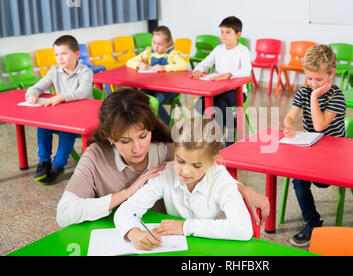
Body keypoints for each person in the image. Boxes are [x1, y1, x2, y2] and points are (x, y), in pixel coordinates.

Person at [56, 89, 269, 229]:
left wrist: (244, 190)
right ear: (110, 138)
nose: (138, 148)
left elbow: (208, 170)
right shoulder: (95, 157)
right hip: (113, 235)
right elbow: (64, 214)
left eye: (143, 136)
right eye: (125, 141)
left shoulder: (170, 153)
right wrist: (125, 194)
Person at [114, 118, 253, 250]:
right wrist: (132, 233)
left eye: (196, 165)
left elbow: (243, 229)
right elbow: (127, 209)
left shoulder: (221, 179)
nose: (185, 171)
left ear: (212, 161)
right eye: (180, 161)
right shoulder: (166, 174)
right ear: (174, 151)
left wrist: (185, 227)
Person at [283, 44, 346, 247]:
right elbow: (289, 117)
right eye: (309, 78)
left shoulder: (337, 96)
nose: (312, 83)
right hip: (311, 150)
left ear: (331, 73)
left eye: (318, 79)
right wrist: (289, 126)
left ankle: (312, 222)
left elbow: (319, 126)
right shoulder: (304, 91)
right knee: (298, 179)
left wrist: (314, 97)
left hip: (333, 155)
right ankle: (313, 223)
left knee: (318, 182)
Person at [25, 35, 93, 184]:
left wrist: (60, 97)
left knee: (66, 130)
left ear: (76, 54)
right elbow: (36, 87)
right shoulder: (54, 72)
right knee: (43, 125)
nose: (59, 58)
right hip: (63, 115)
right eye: (56, 54)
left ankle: (58, 165)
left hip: (83, 118)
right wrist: (32, 94)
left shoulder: (85, 72)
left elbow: (81, 92)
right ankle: (44, 161)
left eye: (64, 53)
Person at [192, 16, 252, 146]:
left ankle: (221, 143)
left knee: (219, 106)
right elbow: (205, 62)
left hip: (236, 91)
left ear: (238, 35)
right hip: (217, 89)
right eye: (222, 32)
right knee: (199, 105)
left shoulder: (243, 51)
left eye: (228, 32)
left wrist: (228, 75)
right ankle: (231, 123)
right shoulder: (218, 50)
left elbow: (247, 70)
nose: (223, 35)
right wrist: (198, 69)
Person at [126, 26, 188, 125]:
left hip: (169, 88)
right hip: (151, 86)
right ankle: (145, 126)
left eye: (160, 44)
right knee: (138, 98)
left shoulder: (172, 55)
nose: (156, 47)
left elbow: (184, 65)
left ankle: (169, 127)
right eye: (154, 43)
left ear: (169, 43)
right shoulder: (148, 52)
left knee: (154, 102)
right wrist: (139, 64)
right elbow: (129, 62)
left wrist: (164, 68)